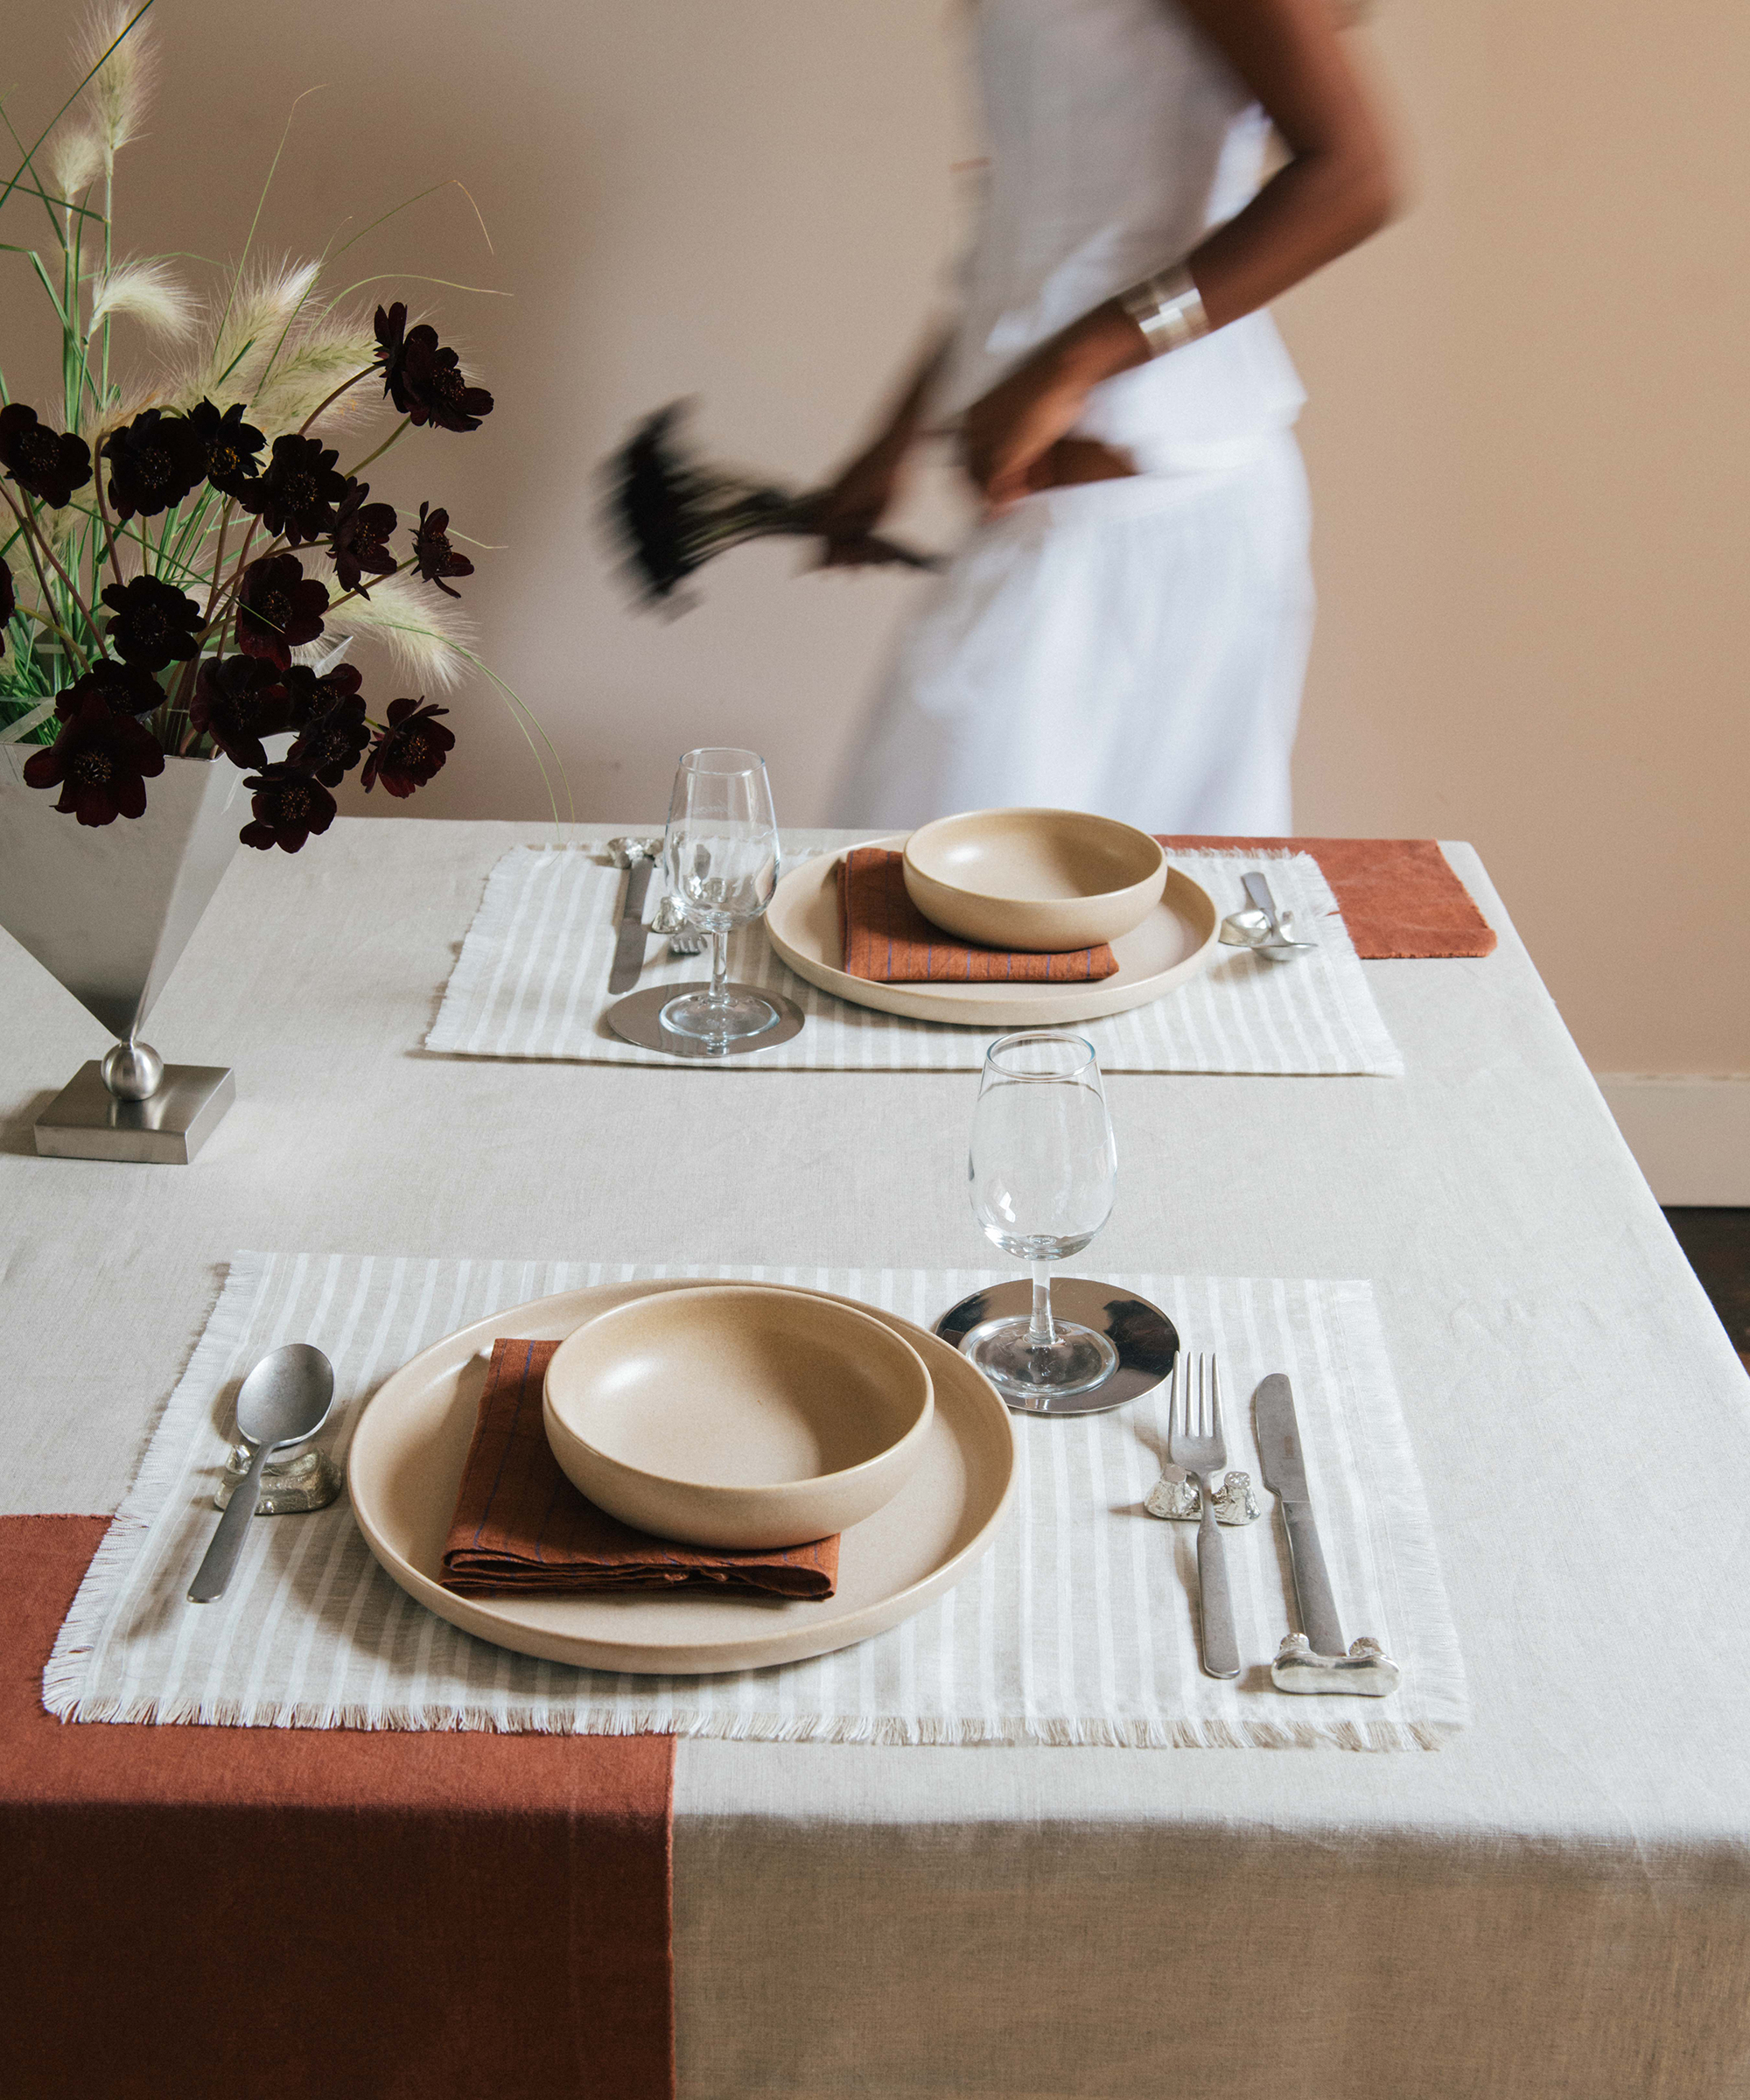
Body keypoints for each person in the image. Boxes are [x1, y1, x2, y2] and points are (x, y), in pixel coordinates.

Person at [823, 0, 1396, 834]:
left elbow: (1354, 179)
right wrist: (896, 438)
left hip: (1168, 517)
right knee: (920, 915)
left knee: (956, 916)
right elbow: (1020, 224)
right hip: (1054, 526)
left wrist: (1075, 362)